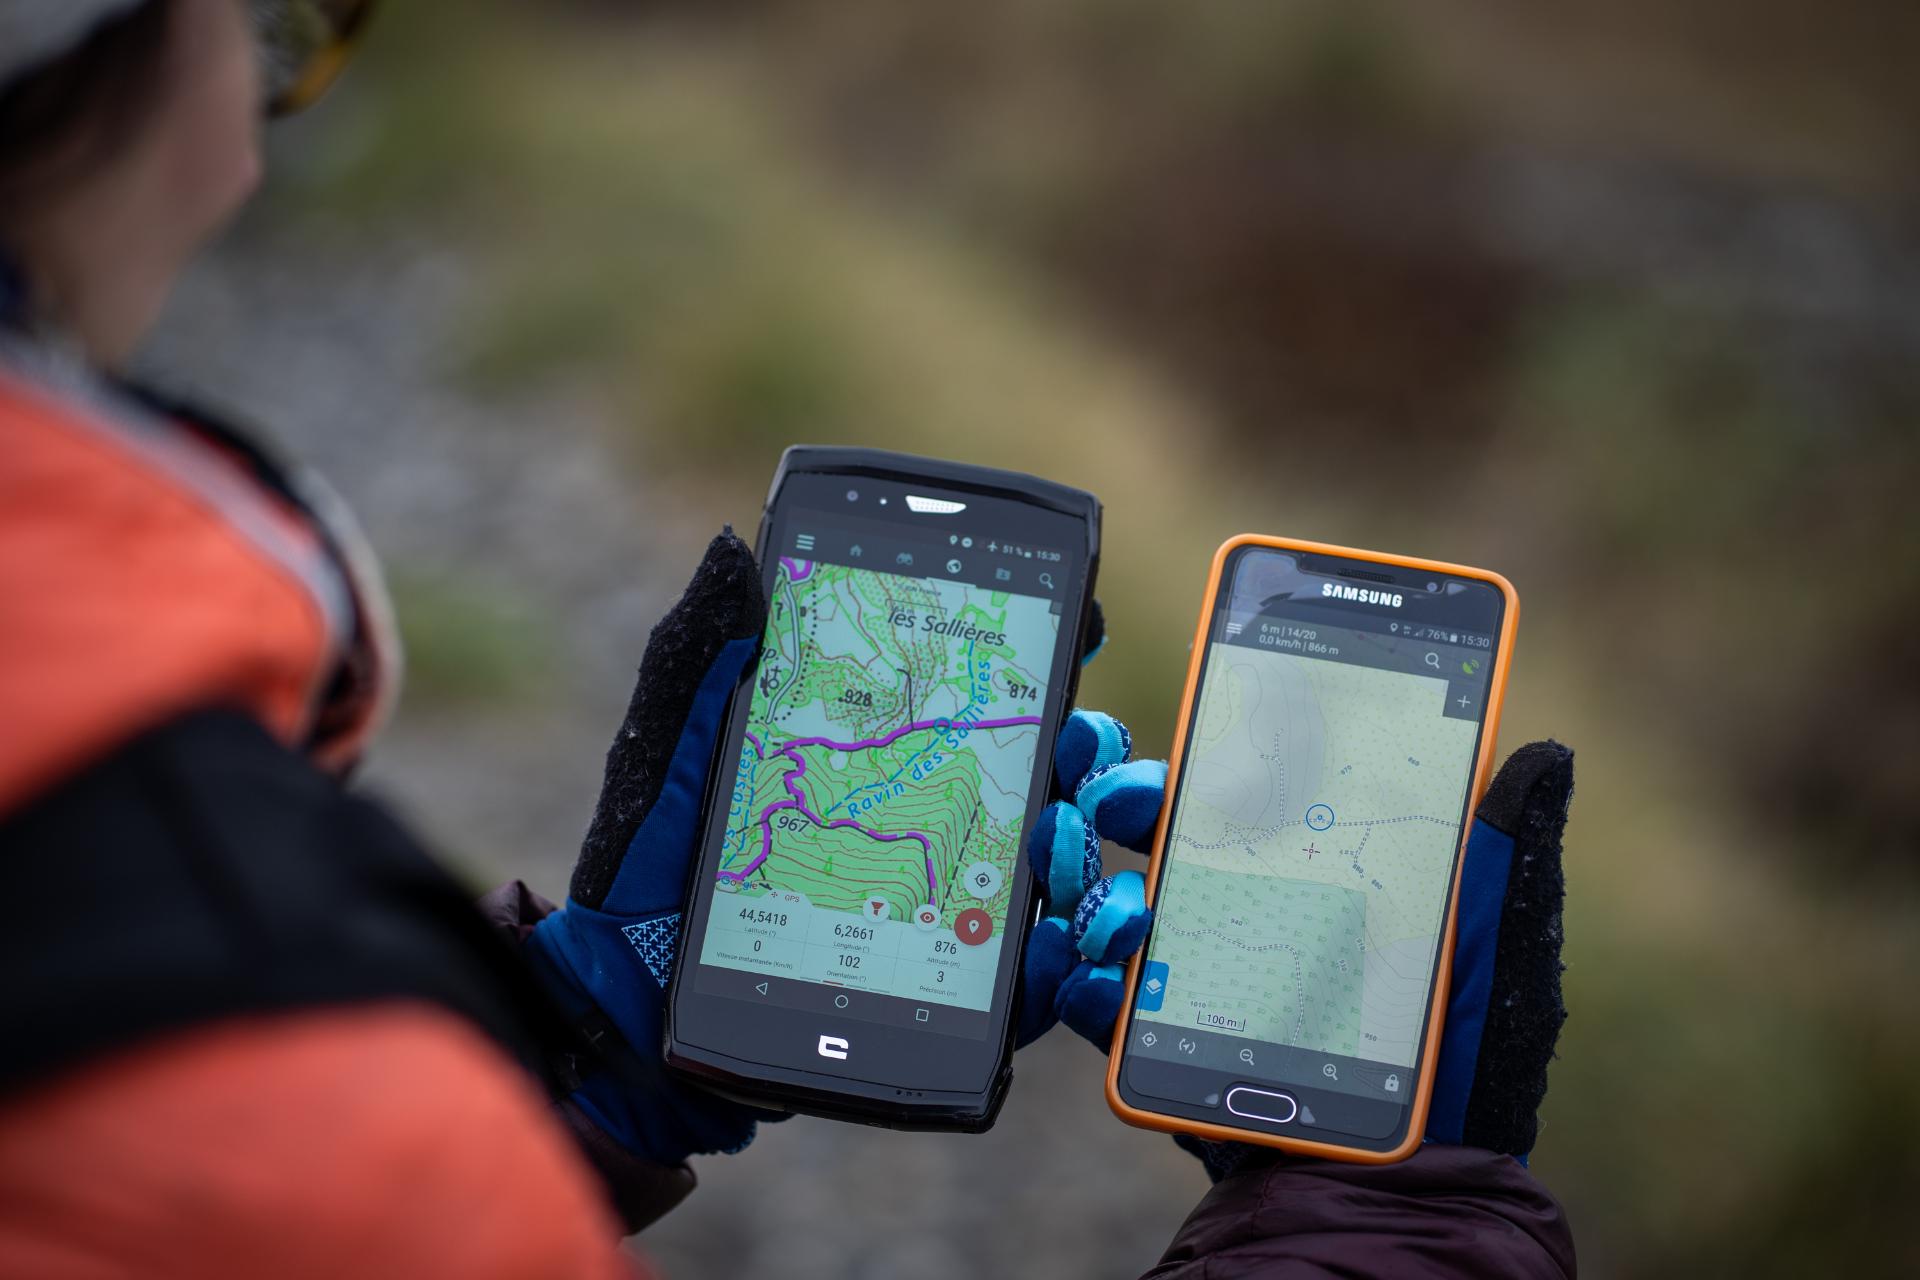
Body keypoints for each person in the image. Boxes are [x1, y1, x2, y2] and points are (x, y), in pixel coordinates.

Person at [0, 2, 1577, 1276]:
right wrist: (1384, 1242)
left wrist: (580, 1065)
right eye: (282, 26)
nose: (259, 146)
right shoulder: (202, 1017)